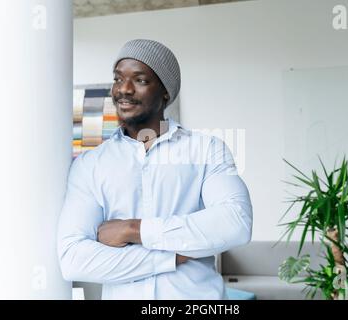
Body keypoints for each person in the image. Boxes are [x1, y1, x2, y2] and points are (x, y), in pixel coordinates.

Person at [57, 39, 253, 299]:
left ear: (165, 93)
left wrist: (133, 230)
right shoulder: (89, 165)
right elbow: (74, 259)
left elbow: (236, 223)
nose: (124, 89)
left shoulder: (207, 150)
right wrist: (174, 255)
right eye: (118, 79)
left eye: (140, 80)